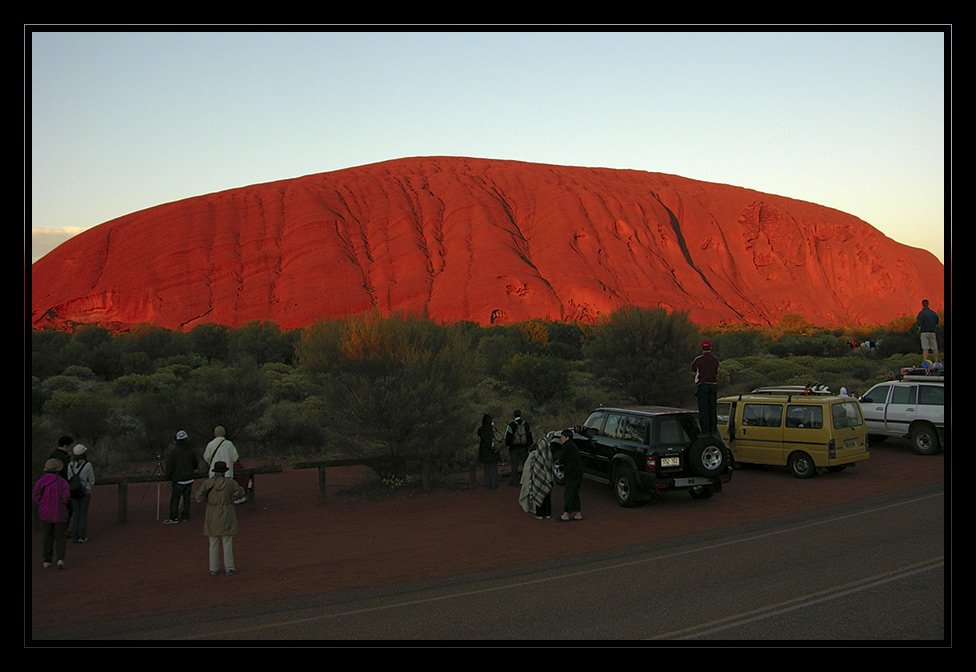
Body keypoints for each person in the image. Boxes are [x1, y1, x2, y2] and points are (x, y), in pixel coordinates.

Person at [194, 461, 246, 576]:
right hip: (227, 511)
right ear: (224, 471)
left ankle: (213, 568)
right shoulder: (230, 483)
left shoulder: (208, 483)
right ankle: (229, 567)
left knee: (213, 541)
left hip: (212, 512)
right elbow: (240, 492)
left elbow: (198, 496)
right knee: (227, 540)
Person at [32, 458, 71, 569]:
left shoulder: (40, 482)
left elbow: (35, 496)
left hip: (45, 513)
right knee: (60, 537)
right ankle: (60, 558)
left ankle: (47, 560)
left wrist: (42, 503)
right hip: (60, 512)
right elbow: (66, 497)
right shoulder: (62, 482)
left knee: (47, 537)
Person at [164, 430, 200, 524]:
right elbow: (196, 464)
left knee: (175, 499)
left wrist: (168, 477)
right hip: (189, 478)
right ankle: (185, 515)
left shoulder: (173, 451)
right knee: (186, 499)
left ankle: (173, 517)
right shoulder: (191, 451)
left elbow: (169, 466)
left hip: (178, 479)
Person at [67, 444, 94, 543]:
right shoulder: (87, 465)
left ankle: (74, 535)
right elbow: (91, 480)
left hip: (73, 491)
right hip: (85, 491)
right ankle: (81, 536)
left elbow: (69, 478)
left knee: (76, 513)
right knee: (83, 514)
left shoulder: (70, 465)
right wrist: (88, 486)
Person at [520, 438, 554, 519]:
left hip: (537, 478)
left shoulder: (535, 455)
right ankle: (547, 513)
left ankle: (539, 514)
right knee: (547, 496)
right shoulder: (548, 454)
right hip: (547, 479)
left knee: (538, 494)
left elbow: (527, 468)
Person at [692, 340, 720, 436]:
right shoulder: (715, 359)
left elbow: (693, 369)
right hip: (713, 385)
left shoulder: (699, 359)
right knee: (712, 408)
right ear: (710, 348)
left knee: (703, 409)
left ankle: (705, 431)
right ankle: (713, 430)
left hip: (703, 385)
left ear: (702, 348)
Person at [557, 430, 583, 522]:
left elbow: (562, 459)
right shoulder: (573, 446)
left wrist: (561, 466)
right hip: (578, 472)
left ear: (567, 438)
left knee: (569, 493)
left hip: (572, 473)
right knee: (575, 493)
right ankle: (577, 513)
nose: (561, 439)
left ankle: (566, 514)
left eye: (562, 437)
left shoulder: (566, 446)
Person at [505, 410, 533, 487]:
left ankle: (514, 481)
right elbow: (529, 436)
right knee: (526, 464)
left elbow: (508, 437)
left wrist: (509, 445)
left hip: (514, 448)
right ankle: (527, 480)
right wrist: (528, 445)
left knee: (514, 465)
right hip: (523, 447)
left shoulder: (511, 425)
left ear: (514, 415)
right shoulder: (526, 424)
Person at [477, 415, 501, 490]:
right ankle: (494, 485)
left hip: (485, 451)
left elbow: (479, 434)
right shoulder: (493, 429)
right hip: (493, 450)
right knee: (494, 468)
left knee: (486, 469)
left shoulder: (481, 430)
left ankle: (488, 485)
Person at [916, 299, 940, 364]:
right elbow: (937, 321)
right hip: (932, 331)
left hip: (924, 332)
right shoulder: (933, 313)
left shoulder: (921, 313)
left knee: (925, 348)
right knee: (934, 347)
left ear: (922, 305)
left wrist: (919, 328)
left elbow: (919, 322)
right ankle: (936, 362)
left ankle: (925, 362)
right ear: (928, 304)